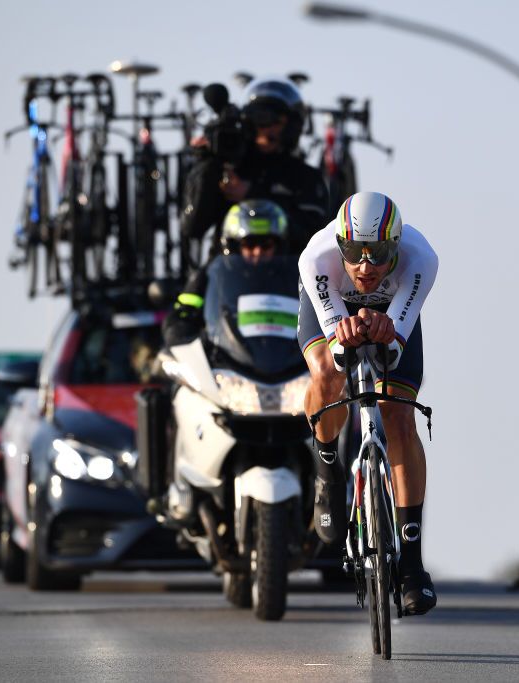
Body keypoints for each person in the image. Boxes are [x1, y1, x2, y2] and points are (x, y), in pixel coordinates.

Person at [297, 191, 439, 616]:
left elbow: (393, 351)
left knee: (398, 415)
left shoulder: (422, 260)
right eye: (353, 253)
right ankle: (327, 469)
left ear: (394, 246)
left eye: (377, 254)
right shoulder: (317, 259)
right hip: (333, 307)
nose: (364, 267)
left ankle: (412, 565)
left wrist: (386, 331)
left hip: (392, 312)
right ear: (339, 244)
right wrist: (347, 337)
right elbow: (337, 356)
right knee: (326, 371)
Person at [180, 77, 328, 261]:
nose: (265, 130)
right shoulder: (229, 168)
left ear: (291, 125)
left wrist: (251, 195)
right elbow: (192, 228)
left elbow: (315, 236)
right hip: (227, 278)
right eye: (257, 121)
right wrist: (207, 166)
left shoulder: (306, 178)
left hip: (287, 281)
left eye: (274, 121)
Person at [163, 199, 289, 346]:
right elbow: (182, 315)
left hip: (290, 363)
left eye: (266, 245)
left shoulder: (294, 278)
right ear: (233, 245)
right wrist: (182, 333)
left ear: (279, 246)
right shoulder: (212, 275)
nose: (257, 252)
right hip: (224, 360)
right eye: (249, 244)